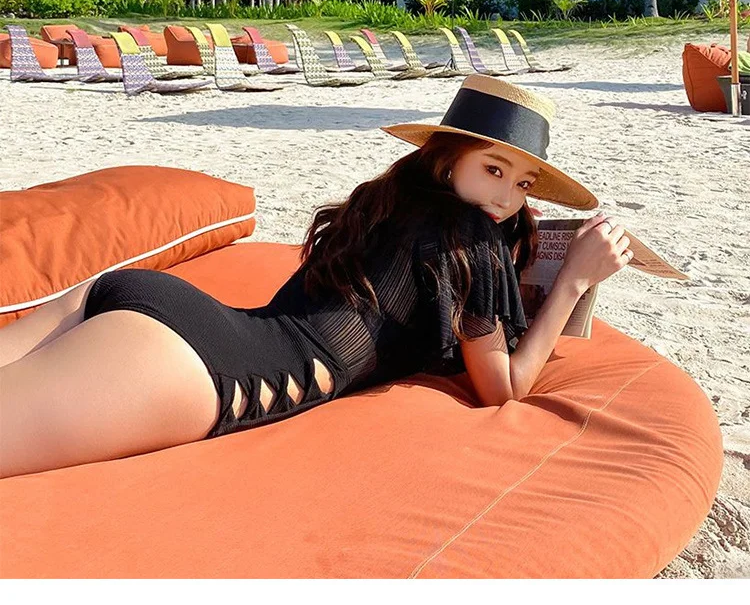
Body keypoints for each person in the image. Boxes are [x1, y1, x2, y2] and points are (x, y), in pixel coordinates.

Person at [0, 74, 633, 479]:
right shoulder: (466, 237)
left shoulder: (384, 204)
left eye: (523, 183)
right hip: (203, 367)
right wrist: (573, 282)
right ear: (447, 163)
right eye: (494, 170)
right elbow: (505, 388)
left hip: (150, 305)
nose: (507, 196)